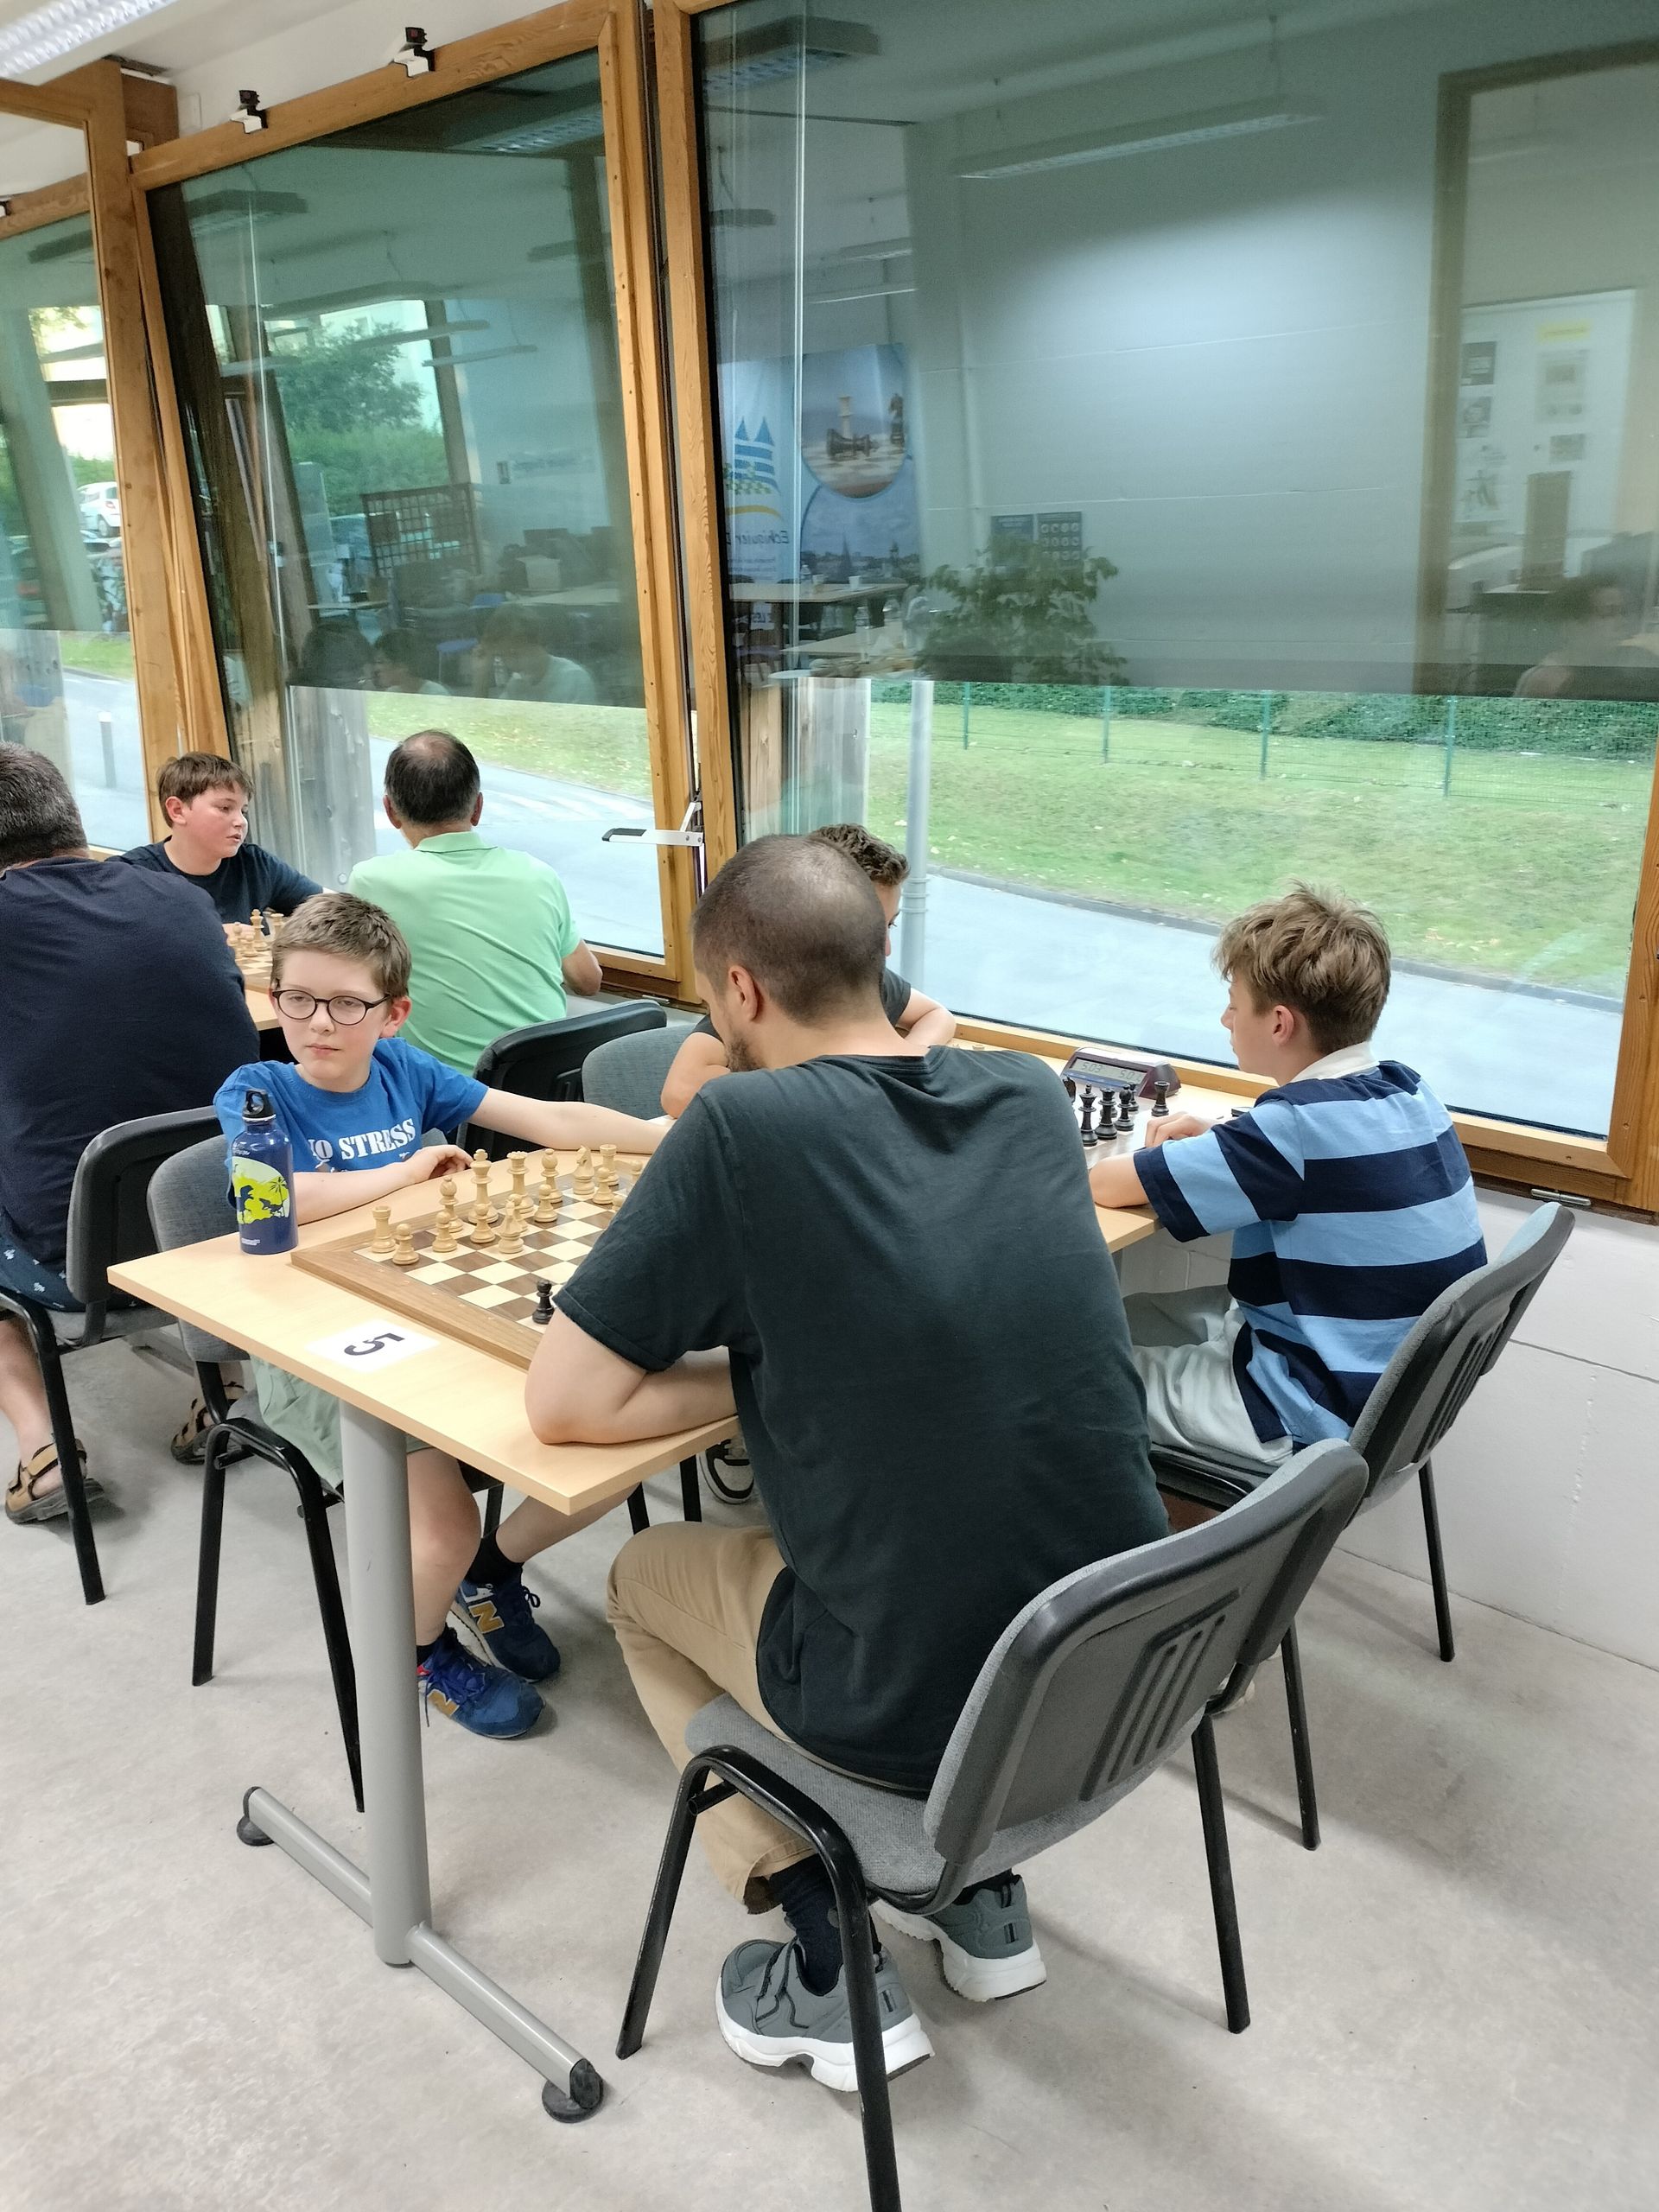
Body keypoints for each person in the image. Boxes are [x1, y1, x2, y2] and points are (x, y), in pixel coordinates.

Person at [521, 836, 1166, 2089]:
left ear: (741, 990)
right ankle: (981, 1901)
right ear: (881, 956)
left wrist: (771, 1368)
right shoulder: (1027, 1095)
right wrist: (808, 1362)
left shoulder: (741, 1125)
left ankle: (826, 1952)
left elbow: (565, 1401)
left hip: (920, 1714)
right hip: (1110, 1666)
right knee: (901, 1509)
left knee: (641, 1582)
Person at [212, 891, 665, 1740]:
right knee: (443, 1523)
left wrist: (674, 1136)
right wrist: (408, 1171)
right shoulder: (258, 1089)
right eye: (297, 999)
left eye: (347, 1004)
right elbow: (269, 1200)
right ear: (274, 999)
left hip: (423, 1312)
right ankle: (418, 1650)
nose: (318, 1022)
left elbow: (549, 1120)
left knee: (607, 1447)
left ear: (393, 1014)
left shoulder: (405, 1070)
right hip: (317, 1349)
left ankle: (491, 1571)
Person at [1087, 885, 1486, 1468]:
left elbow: (1104, 1184)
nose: (1225, 1018)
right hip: (1387, 1402)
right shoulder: (1407, 1089)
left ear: (1279, 1023)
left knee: (1058, 1371)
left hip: (1301, 1408)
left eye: (1234, 1003)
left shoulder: (1287, 1133)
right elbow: (1320, 1152)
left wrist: (1239, 1142)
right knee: (1110, 1320)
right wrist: (1228, 1135)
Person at [1, 749, 257, 1525]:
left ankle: (44, 1448)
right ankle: (226, 1387)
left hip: (84, 1263)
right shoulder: (182, 898)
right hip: (225, 1221)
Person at [346, 731, 602, 1074]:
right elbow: (588, 981)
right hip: (543, 1091)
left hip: (444, 1095)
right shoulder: (538, 875)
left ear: (391, 811)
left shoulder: (372, 881)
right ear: (478, 807)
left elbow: (351, 987)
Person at [660, 822, 955, 1116]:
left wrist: (900, 1068)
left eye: (889, 926)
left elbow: (935, 1015)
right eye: (867, 930)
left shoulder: (869, 984)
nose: (885, 949)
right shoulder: (767, 994)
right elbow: (679, 1091)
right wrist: (823, 1087)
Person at [121, 753, 321, 925]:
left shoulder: (256, 865)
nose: (241, 822)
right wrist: (209, 937)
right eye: (225, 808)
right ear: (177, 810)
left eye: (243, 811)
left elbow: (327, 908)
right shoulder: (130, 875)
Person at [1515, 576, 1659, 701]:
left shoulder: (1613, 668)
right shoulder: (1548, 681)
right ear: (1571, 626)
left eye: (1622, 613)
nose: (1622, 622)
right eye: (1608, 614)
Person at [474, 604, 597, 705]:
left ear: (535, 642)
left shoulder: (574, 679)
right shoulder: (517, 683)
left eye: (514, 653)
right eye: (502, 656)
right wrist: (481, 676)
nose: (510, 664)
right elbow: (486, 723)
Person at [371, 627, 448, 696]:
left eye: (381, 662)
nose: (376, 669)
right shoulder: (392, 693)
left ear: (402, 665)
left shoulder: (436, 695)